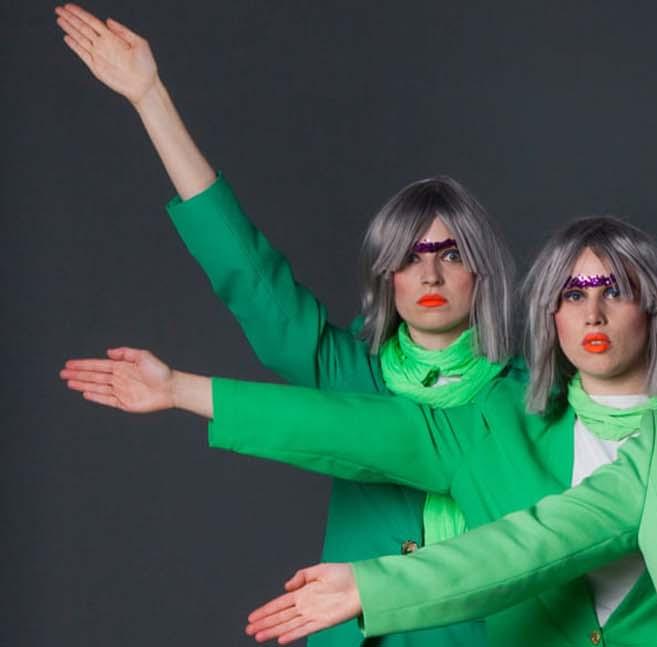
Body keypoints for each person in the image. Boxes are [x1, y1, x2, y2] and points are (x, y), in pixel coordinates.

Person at [54, 4, 515, 645]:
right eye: (409, 257)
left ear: (483, 271)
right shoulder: (348, 370)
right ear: (386, 274)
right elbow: (251, 277)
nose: (429, 277)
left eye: (451, 254)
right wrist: (150, 98)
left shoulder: (533, 388)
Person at [63, 217, 657, 646]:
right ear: (548, 315)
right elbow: (352, 428)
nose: (591, 312)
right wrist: (180, 389)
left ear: (655, 305)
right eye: (570, 294)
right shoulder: (495, 423)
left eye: (614, 290)